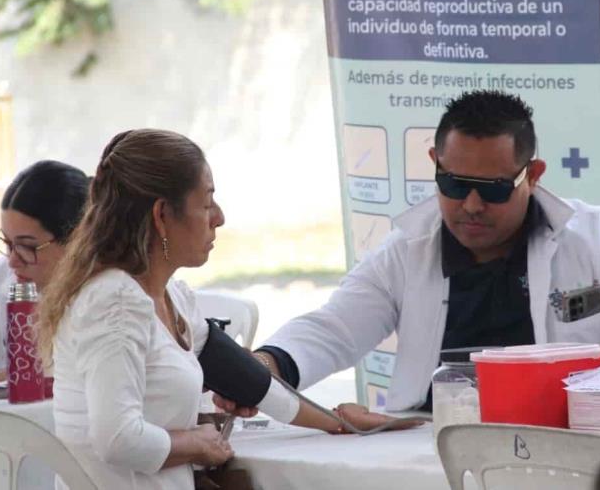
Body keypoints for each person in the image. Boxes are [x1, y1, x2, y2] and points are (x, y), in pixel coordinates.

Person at [247, 90, 600, 413]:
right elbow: (336, 328)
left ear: (532, 175)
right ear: (435, 162)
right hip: (429, 446)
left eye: (493, 189)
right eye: (454, 185)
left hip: (566, 441)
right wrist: (266, 365)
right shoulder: (407, 250)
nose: (471, 205)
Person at [36, 129, 415, 490]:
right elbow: (117, 439)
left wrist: (335, 421)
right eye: (206, 202)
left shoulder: (169, 299)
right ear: (162, 215)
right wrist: (196, 443)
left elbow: (246, 378)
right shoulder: (115, 303)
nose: (219, 217)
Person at [0, 160, 89, 382]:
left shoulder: (109, 293)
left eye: (28, 247)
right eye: (7, 243)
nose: (13, 261)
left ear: (77, 240)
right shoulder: (2, 276)